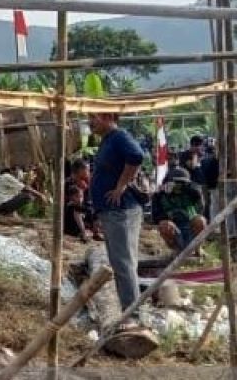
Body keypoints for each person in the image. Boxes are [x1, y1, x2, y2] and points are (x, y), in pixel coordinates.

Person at [88, 112, 146, 328]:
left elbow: (137, 156)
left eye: (93, 117)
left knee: (124, 264)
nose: (90, 121)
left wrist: (120, 187)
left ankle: (133, 315)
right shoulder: (107, 140)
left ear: (108, 117)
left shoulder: (119, 136)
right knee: (122, 262)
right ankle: (130, 312)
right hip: (112, 212)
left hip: (122, 211)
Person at [153, 166, 207, 255]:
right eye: (176, 183)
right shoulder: (160, 195)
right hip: (174, 229)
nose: (179, 186)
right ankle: (177, 250)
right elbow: (156, 218)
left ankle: (198, 248)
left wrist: (195, 193)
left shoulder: (193, 192)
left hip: (190, 226)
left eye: (182, 183)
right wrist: (170, 215)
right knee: (164, 225)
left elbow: (201, 210)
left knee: (200, 220)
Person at [63, 159, 94, 241]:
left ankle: (92, 230)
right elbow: (73, 201)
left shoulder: (86, 182)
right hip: (71, 212)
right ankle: (83, 233)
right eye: (86, 169)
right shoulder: (69, 183)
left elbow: (88, 200)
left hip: (83, 209)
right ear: (80, 170)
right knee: (77, 211)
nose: (88, 171)